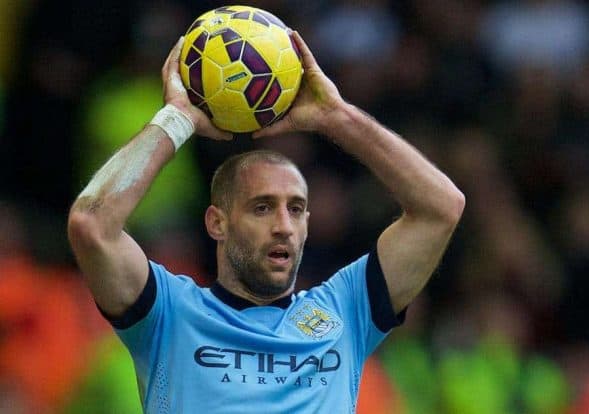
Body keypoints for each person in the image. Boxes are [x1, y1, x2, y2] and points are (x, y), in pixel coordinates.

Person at [67, 31, 465, 413]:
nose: (283, 225)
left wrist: (338, 117)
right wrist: (176, 120)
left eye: (295, 209)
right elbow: (92, 225)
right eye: (262, 207)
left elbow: (441, 207)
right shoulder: (168, 313)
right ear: (217, 223)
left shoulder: (345, 310)